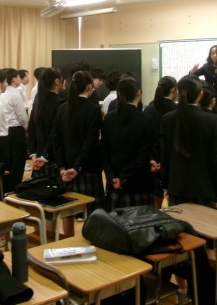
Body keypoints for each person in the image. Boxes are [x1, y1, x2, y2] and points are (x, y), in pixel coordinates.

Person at [161, 75, 217, 209]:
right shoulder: (212, 120)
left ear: (178, 92)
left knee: (178, 222)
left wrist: (165, 185)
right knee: (203, 223)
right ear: (201, 94)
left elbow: (165, 155)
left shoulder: (167, 119)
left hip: (176, 185)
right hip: (204, 188)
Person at [50, 70, 103, 235]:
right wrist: (77, 167)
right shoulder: (93, 110)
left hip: (65, 170)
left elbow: (55, 140)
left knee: (68, 211)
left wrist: (62, 167)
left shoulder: (61, 108)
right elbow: (90, 143)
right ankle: (93, 242)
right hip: (87, 168)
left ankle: (68, 241)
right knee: (93, 212)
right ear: (89, 87)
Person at [101, 77, 155, 210]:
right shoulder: (146, 120)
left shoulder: (109, 118)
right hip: (137, 184)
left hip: (114, 184)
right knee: (140, 222)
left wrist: (112, 176)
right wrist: (123, 178)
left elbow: (103, 151)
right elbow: (143, 157)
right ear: (138, 93)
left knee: (114, 221)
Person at [143, 76, 177, 208]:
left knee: (155, 201)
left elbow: (146, 137)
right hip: (171, 160)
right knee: (174, 204)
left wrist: (152, 158)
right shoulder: (176, 110)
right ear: (173, 90)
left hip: (153, 160)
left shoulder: (149, 108)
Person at [27, 67, 65, 178]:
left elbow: (31, 127)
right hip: (53, 155)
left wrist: (33, 153)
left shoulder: (38, 98)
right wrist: (45, 156)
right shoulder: (60, 102)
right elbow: (55, 132)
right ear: (57, 81)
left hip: (38, 154)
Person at [1, 68, 29, 190]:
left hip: (6, 130)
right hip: (16, 129)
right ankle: (16, 185)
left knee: (10, 159)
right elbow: (22, 116)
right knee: (19, 159)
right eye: (18, 77)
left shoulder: (3, 94)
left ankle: (8, 186)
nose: (19, 79)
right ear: (13, 79)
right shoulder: (15, 94)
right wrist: (27, 128)